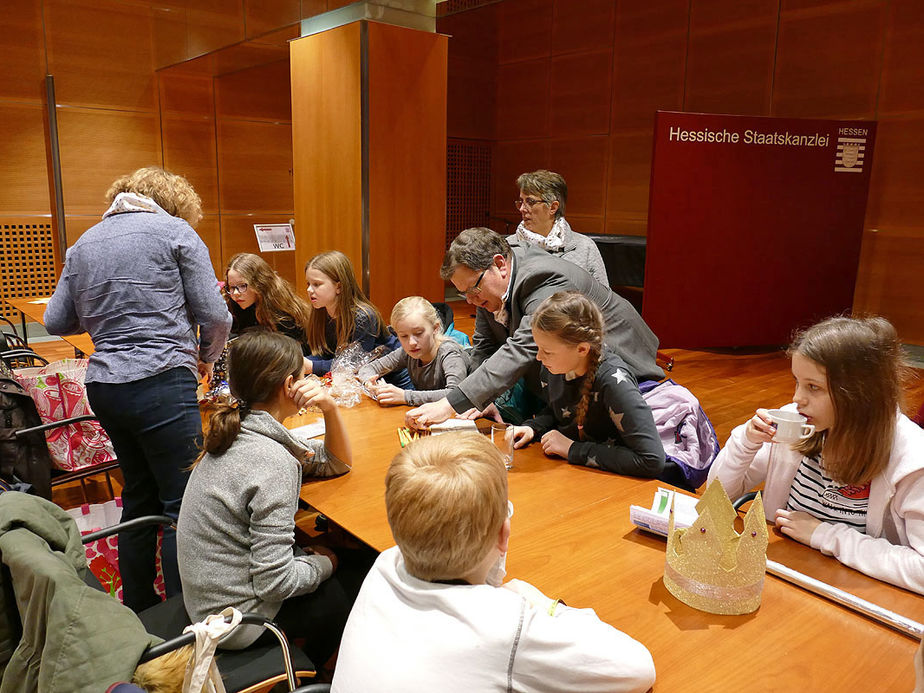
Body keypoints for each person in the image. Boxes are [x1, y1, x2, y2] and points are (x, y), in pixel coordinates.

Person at [331, 432, 656, 693]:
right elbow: (638, 668)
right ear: (505, 534)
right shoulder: (507, 628)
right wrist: (541, 604)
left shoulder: (386, 564)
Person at [44, 166, 230, 611]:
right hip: (162, 379)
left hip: (105, 386)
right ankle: (189, 622)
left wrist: (107, 314)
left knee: (138, 497)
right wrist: (206, 355)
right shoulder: (175, 232)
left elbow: (56, 320)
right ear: (175, 201)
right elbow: (216, 314)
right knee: (181, 506)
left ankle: (143, 611)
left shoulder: (84, 243)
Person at [708, 315, 924, 595]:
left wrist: (825, 535)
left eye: (813, 387)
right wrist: (746, 442)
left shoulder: (911, 459)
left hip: (857, 595)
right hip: (781, 577)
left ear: (860, 394)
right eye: (797, 382)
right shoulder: (797, 424)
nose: (797, 398)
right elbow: (715, 499)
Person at [177, 331, 358, 663]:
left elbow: (336, 463)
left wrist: (329, 408)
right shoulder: (273, 462)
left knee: (315, 553)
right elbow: (276, 583)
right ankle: (306, 675)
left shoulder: (240, 427)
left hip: (209, 599)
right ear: (290, 385)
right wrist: (326, 563)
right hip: (234, 623)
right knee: (350, 583)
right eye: (304, 377)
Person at [406, 227, 662, 429]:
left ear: (500, 264)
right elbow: (485, 348)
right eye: (463, 294)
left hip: (623, 360)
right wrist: (478, 400)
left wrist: (450, 404)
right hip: (568, 379)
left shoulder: (541, 279)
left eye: (473, 289)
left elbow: (523, 348)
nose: (471, 300)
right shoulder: (490, 289)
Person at [510, 292, 665, 478]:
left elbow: (652, 460)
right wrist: (532, 427)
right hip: (578, 474)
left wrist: (573, 449)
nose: (539, 357)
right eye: (538, 348)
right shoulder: (555, 367)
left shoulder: (613, 383)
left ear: (582, 349)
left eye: (547, 352)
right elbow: (559, 410)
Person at [304, 250, 410, 387]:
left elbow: (352, 365)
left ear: (339, 287)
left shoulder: (363, 317)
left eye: (316, 284)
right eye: (308, 284)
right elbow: (327, 355)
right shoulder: (321, 312)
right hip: (365, 381)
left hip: (394, 380)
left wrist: (311, 366)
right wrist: (298, 363)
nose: (309, 290)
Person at [357, 296, 469, 406]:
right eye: (404, 336)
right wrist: (370, 383)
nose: (411, 343)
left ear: (436, 328)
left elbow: (456, 395)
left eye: (419, 333)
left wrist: (405, 396)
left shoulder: (450, 354)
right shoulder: (406, 352)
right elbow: (369, 368)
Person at [509, 169, 608, 287]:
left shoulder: (585, 247)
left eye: (530, 202)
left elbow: (603, 299)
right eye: (521, 201)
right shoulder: (508, 247)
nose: (522, 209)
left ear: (553, 207)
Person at [224, 252, 313, 354]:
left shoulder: (281, 312)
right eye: (231, 287)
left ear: (259, 283)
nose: (235, 293)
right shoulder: (232, 304)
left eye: (242, 286)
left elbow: (291, 354)